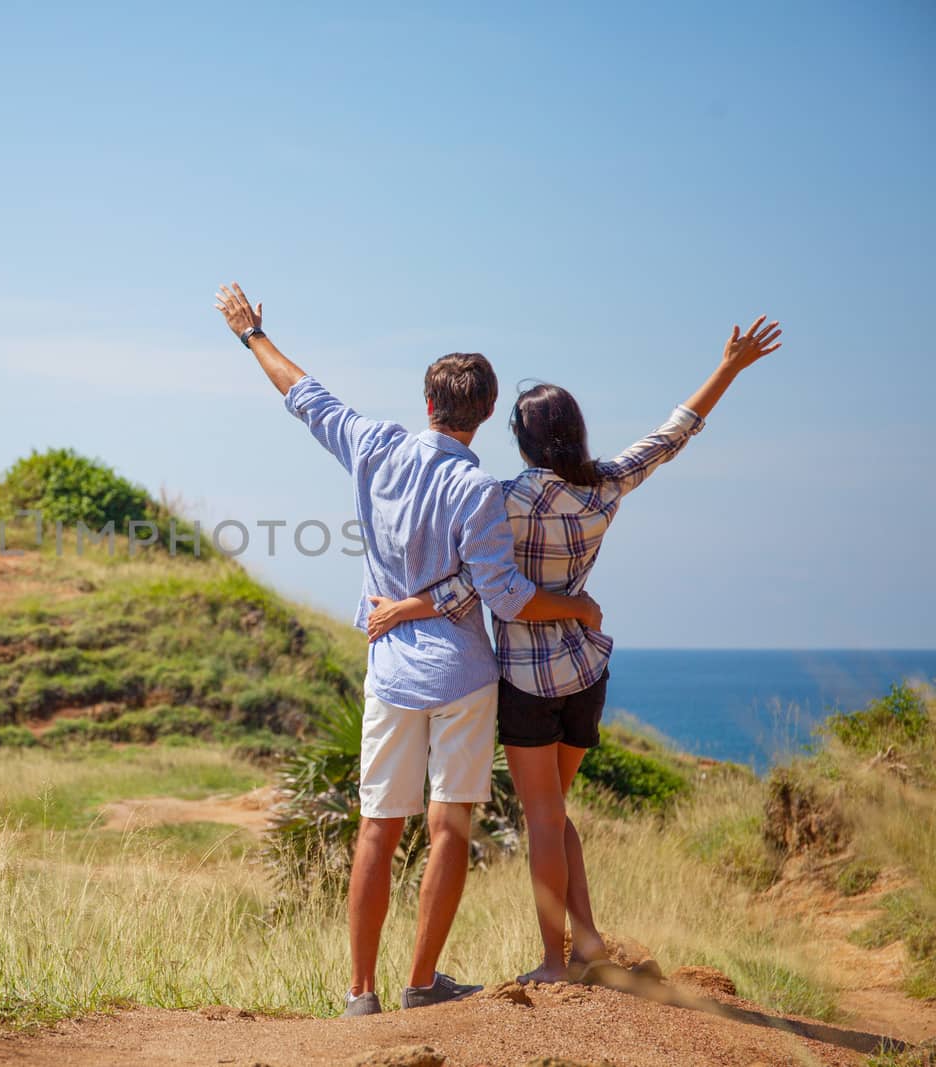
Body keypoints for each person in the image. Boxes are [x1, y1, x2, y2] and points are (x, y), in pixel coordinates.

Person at [213, 283, 603, 1015]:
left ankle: (360, 991)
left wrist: (251, 335)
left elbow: (302, 393)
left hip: (390, 671)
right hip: (461, 675)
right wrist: (577, 604)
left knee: (377, 828)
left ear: (427, 403)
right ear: (485, 414)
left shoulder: (374, 446)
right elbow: (507, 596)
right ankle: (421, 981)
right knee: (448, 824)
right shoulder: (479, 488)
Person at [368, 316, 784, 985]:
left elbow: (472, 583)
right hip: (587, 668)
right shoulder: (605, 488)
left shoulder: (498, 500)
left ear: (523, 439)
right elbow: (673, 433)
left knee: (541, 818)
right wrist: (729, 367)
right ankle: (587, 940)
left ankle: (553, 962)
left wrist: (406, 607)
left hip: (530, 680)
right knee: (556, 812)